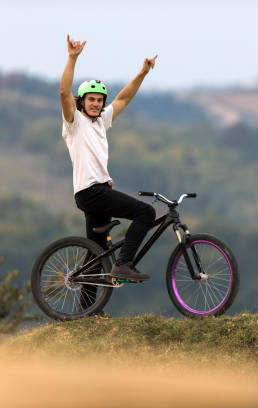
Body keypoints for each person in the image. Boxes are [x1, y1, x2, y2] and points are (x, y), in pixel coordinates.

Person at [60, 34, 158, 282]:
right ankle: (124, 264)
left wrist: (143, 73)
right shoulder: (74, 122)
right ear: (81, 102)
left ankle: (86, 311)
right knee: (146, 213)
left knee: (98, 253)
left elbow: (124, 98)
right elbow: (64, 92)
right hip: (92, 192)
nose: (95, 103)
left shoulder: (101, 120)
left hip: (97, 191)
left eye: (99, 100)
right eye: (91, 99)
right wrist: (72, 58)